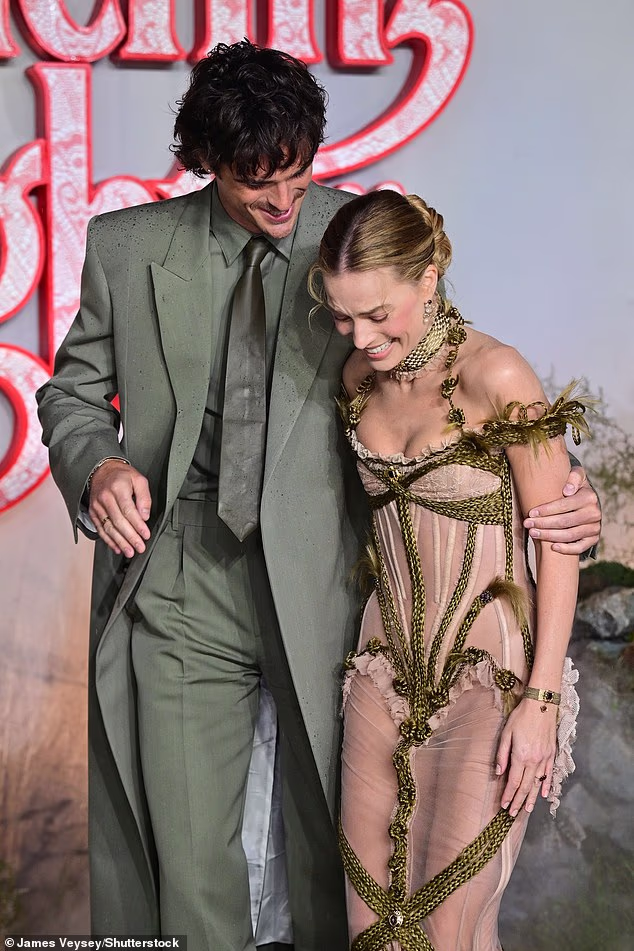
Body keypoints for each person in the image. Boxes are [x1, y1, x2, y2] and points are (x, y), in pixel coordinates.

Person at [36, 41, 600, 951]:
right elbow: (70, 390)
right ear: (207, 160)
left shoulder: (365, 236)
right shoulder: (128, 248)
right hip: (183, 584)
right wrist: (96, 463)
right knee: (189, 865)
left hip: (343, 593)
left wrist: (567, 492)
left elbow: (455, 386)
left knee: (344, 869)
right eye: (260, 186)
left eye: (300, 178)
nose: (286, 204)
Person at [308, 189, 592, 950]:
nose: (361, 336)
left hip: (489, 673)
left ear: (429, 278)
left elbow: (557, 541)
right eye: (342, 315)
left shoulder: (499, 375)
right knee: (370, 919)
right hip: (380, 666)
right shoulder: (355, 381)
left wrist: (541, 699)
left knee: (449, 922)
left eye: (378, 313)